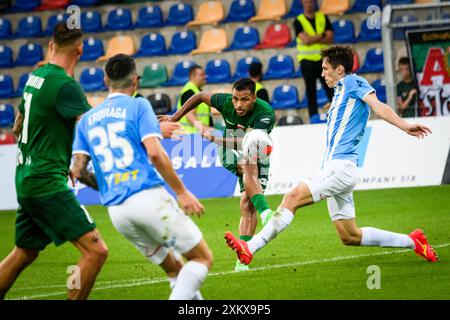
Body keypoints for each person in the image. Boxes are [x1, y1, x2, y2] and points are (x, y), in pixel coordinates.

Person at [225, 45, 438, 266]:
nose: (322, 73)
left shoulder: (354, 82)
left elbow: (377, 105)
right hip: (336, 168)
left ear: (340, 69)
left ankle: (250, 247)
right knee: (350, 236)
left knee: (292, 197)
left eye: (326, 69)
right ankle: (414, 242)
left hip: (341, 167)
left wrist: (404, 125)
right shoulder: (340, 92)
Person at [71, 54, 213, 300]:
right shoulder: (138, 106)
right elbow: (156, 154)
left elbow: (78, 171)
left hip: (117, 212)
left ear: (105, 79)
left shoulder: (87, 120)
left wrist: (111, 187)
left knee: (176, 271)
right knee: (202, 258)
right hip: (146, 198)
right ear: (135, 81)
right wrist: (182, 192)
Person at [0, 23, 108, 300]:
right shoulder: (65, 85)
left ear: (51, 45)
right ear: (80, 50)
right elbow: (90, 127)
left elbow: (17, 126)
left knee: (24, 252)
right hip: (46, 182)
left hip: (26, 176)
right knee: (95, 250)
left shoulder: (35, 77)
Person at [160, 78, 275, 272]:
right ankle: (267, 213)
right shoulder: (224, 101)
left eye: (245, 99)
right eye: (236, 99)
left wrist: (213, 137)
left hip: (254, 148)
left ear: (254, 98)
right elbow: (199, 96)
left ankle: (243, 256)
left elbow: (247, 144)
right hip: (228, 146)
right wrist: (175, 117)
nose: (238, 104)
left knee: (247, 203)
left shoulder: (265, 113)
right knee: (244, 165)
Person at [295, 0, 334, 119]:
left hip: (323, 61)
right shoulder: (298, 20)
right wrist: (321, 35)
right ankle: (313, 117)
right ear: (302, 3)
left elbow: (330, 37)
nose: (309, 4)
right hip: (307, 61)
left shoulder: (323, 17)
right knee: (310, 91)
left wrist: (312, 38)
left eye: (310, 2)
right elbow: (305, 40)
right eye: (306, 2)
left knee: (330, 89)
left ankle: (336, 114)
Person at [177, 65, 212, 134]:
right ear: (193, 77)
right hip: (190, 134)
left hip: (196, 134)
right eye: (202, 75)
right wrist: (204, 129)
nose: (205, 77)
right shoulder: (189, 92)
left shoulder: (196, 91)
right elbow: (189, 115)